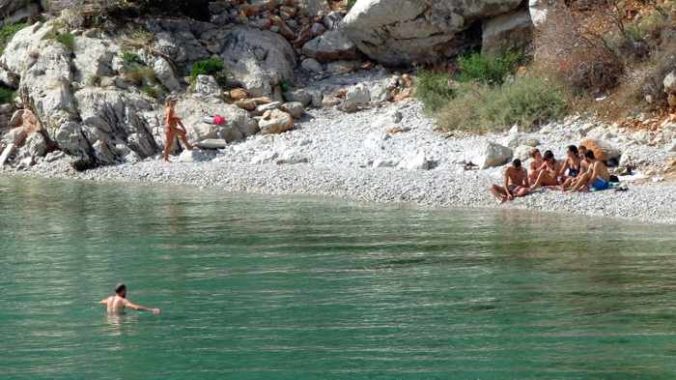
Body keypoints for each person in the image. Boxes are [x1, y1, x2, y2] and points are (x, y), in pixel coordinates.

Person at [163, 97, 193, 162]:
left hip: (172, 128)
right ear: (169, 102)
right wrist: (171, 128)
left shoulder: (172, 109)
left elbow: (177, 120)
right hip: (170, 128)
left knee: (181, 134)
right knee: (169, 143)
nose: (174, 103)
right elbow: (168, 120)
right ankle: (166, 158)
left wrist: (183, 127)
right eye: (173, 101)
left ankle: (188, 146)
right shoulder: (169, 109)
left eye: (175, 101)